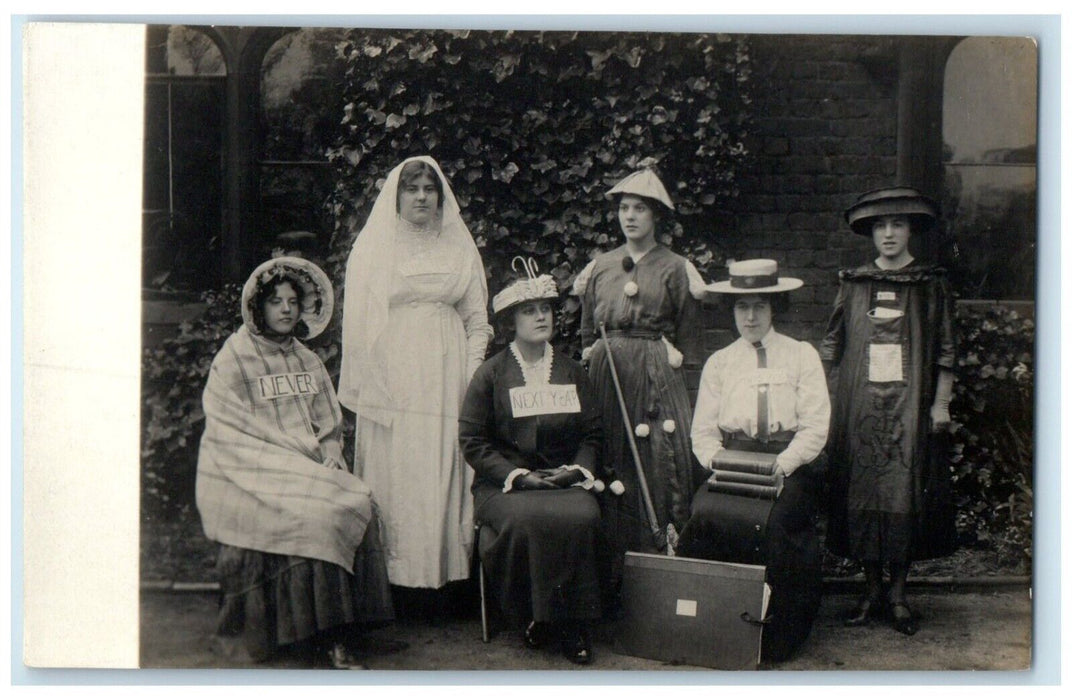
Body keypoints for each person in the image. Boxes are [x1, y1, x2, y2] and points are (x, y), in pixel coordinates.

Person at [196, 256, 393, 669]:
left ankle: (352, 628)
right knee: (319, 517)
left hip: (308, 468)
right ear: (257, 307)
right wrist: (285, 463)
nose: (286, 309)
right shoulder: (233, 359)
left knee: (359, 502)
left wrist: (332, 452)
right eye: (276, 301)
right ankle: (327, 637)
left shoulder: (307, 360)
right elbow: (227, 428)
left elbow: (328, 425)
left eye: (292, 301)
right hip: (251, 475)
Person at [338, 156, 493, 606]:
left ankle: (447, 582)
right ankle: (393, 585)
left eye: (430, 188)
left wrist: (470, 378)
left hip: (448, 377)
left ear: (441, 197)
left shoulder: (458, 248)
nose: (422, 196)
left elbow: (477, 320)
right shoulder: (374, 249)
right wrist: (375, 382)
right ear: (397, 196)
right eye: (413, 189)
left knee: (444, 465)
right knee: (398, 468)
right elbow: (361, 326)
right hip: (395, 377)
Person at [677, 258, 830, 663]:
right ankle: (716, 626)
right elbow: (703, 432)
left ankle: (777, 634)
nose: (750, 316)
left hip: (786, 462)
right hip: (734, 461)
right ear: (732, 311)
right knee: (705, 511)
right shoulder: (721, 362)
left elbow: (815, 426)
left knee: (777, 523)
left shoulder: (801, 355)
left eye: (759, 306)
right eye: (742, 307)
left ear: (773, 308)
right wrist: (721, 463)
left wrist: (785, 462)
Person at [821, 186, 957, 637]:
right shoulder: (854, 283)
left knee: (903, 493)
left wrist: (940, 403)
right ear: (871, 233)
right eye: (881, 225)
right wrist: (826, 403)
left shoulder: (930, 283)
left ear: (911, 230)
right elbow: (832, 345)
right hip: (859, 406)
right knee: (861, 495)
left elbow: (946, 351)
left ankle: (899, 594)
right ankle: (871, 590)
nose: (889, 233)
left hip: (910, 405)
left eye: (898, 224)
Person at [458, 260, 604, 664]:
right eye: (529, 311)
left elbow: (593, 434)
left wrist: (575, 470)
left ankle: (572, 622)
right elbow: (471, 440)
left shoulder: (573, 371)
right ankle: (534, 617)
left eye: (546, 309)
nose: (541, 317)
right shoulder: (490, 375)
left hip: (562, 478)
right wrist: (517, 476)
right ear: (510, 323)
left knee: (584, 515)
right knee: (527, 520)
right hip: (505, 484)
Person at [573, 168, 707, 601]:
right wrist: (593, 363)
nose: (630, 217)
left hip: (657, 374)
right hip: (608, 373)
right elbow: (586, 334)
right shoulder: (601, 266)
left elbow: (688, 338)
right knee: (611, 461)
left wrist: (674, 372)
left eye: (640, 209)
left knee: (659, 462)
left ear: (656, 217)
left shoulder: (675, 267)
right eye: (624, 208)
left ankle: (660, 576)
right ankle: (609, 578)